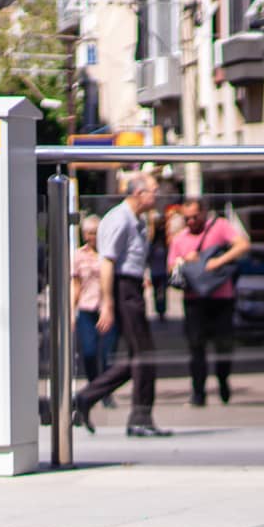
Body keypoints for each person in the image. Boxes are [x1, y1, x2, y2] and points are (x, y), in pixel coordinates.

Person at [72, 171, 172, 438]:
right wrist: (108, 303)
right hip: (123, 287)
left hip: (133, 286)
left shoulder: (136, 219)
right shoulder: (119, 219)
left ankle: (85, 398)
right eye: (153, 190)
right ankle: (140, 418)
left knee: (138, 358)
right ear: (139, 193)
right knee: (144, 355)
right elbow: (107, 262)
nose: (157, 195)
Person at [169, 198, 250, 406]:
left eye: (195, 217)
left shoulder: (219, 227)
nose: (191, 222)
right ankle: (198, 392)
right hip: (194, 300)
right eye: (187, 218)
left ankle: (223, 381)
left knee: (224, 345)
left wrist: (217, 262)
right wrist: (185, 260)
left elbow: (243, 245)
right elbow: (171, 268)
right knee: (196, 346)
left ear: (204, 213)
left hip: (221, 297)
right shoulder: (180, 239)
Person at [70, 214, 119, 407]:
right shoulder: (78, 256)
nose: (92, 237)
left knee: (108, 354)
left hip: (107, 307)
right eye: (89, 233)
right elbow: (75, 285)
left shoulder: (109, 254)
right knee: (89, 352)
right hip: (87, 308)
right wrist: (71, 312)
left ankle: (106, 393)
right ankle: (94, 387)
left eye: (96, 233)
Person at [147, 210, 171, 320]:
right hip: (156, 271)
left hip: (162, 271)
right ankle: (160, 310)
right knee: (158, 292)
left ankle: (161, 310)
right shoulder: (154, 242)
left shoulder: (164, 241)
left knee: (161, 292)